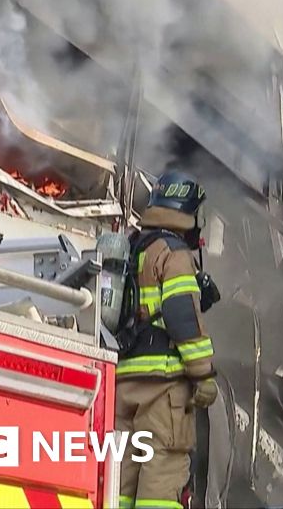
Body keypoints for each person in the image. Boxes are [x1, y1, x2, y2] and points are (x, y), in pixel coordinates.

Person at [116, 171, 220, 509]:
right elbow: (182, 316)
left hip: (125, 384)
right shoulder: (174, 253)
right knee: (161, 475)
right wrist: (203, 376)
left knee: (122, 481)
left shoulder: (133, 247)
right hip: (163, 390)